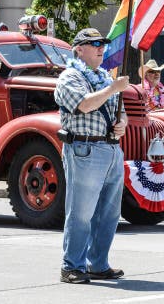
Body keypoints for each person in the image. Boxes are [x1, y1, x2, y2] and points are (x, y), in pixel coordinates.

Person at [53, 28, 129, 284]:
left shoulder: (104, 77)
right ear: (78, 49)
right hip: (84, 149)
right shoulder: (69, 77)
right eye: (94, 43)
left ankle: (98, 264)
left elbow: (121, 112)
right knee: (81, 212)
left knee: (108, 213)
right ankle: (71, 265)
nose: (101, 48)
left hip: (110, 148)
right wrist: (112, 89)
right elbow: (84, 104)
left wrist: (122, 124)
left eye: (103, 44)